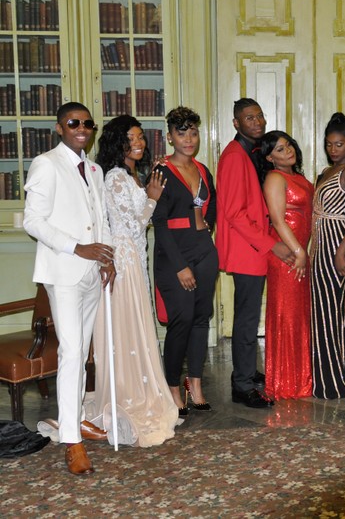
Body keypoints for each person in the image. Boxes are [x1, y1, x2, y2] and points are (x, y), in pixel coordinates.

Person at [23, 102, 115, 475]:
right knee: (72, 354)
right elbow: (33, 220)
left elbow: (99, 217)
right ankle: (72, 443)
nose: (81, 128)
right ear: (59, 127)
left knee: (82, 353)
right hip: (63, 272)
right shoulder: (47, 163)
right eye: (73, 123)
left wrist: (106, 258)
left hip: (92, 273)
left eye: (87, 124)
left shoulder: (93, 168)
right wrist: (76, 248)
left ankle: (74, 420)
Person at [84, 115, 179, 447]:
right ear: (117, 143)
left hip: (135, 258)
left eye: (140, 137)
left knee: (137, 326)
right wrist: (152, 198)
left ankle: (139, 387)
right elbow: (133, 226)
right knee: (127, 326)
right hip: (123, 261)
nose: (138, 143)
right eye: (131, 138)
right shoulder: (115, 178)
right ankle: (127, 393)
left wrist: (148, 193)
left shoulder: (131, 175)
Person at [216, 98, 283, 409]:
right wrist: (271, 244)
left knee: (249, 315)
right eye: (248, 118)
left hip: (254, 248)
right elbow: (233, 213)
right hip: (248, 250)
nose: (257, 122)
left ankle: (245, 372)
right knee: (246, 320)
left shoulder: (251, 153)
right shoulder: (233, 157)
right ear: (236, 123)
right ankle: (242, 387)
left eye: (259, 116)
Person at [152, 106, 218, 415]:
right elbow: (159, 223)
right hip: (173, 257)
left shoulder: (204, 170)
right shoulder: (160, 170)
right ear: (170, 137)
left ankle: (196, 384)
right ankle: (172, 388)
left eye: (193, 132)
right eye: (182, 133)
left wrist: (205, 235)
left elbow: (212, 209)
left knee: (202, 320)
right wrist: (180, 266)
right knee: (181, 323)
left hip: (205, 251)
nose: (189, 139)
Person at [310, 112, 345, 399]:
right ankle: (331, 376)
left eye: (340, 144)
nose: (334, 149)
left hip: (340, 242)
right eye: (330, 144)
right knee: (325, 310)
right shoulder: (327, 171)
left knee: (331, 309)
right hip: (323, 244)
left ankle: (337, 380)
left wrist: (342, 251)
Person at [261, 130, 314, 399]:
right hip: (287, 256)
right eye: (280, 149)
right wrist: (298, 251)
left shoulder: (299, 178)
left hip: (300, 251)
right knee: (287, 314)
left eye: (289, 145)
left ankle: (301, 378)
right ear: (270, 157)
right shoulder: (274, 177)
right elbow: (278, 220)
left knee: (300, 315)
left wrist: (306, 250)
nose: (288, 150)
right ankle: (284, 382)